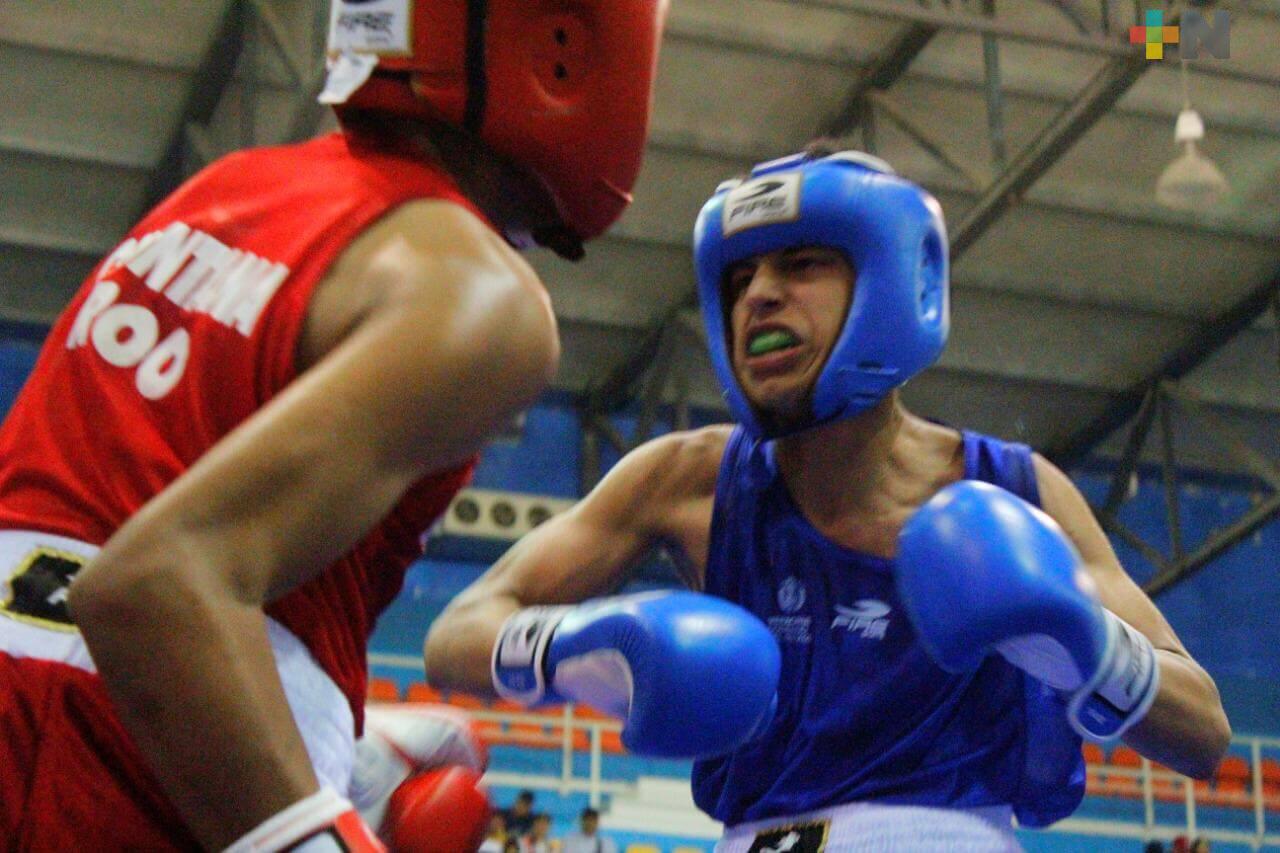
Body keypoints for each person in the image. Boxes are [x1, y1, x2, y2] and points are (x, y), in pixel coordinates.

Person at [424, 146, 1232, 851]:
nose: (759, 297)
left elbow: (1203, 730)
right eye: (739, 278)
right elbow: (457, 633)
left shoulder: (1014, 490)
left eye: (801, 264)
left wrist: (1079, 641)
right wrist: (577, 645)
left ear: (887, 282)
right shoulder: (686, 478)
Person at [0, 1, 670, 850]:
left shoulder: (228, 190)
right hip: (127, 742)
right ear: (563, 48)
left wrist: (328, 739)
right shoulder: (475, 291)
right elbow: (153, 584)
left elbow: (84, 564)